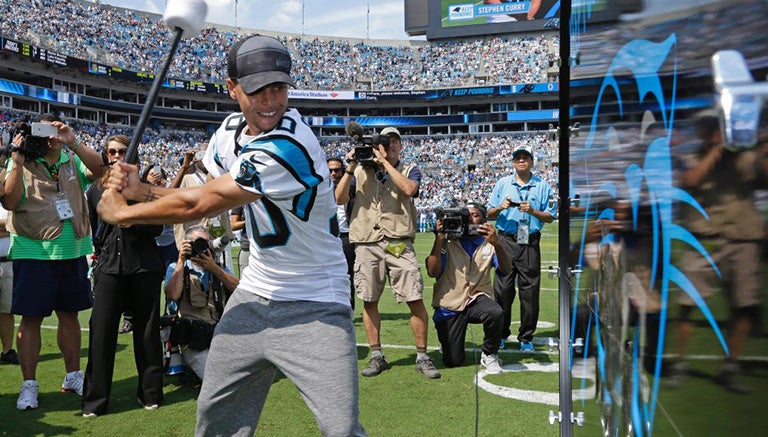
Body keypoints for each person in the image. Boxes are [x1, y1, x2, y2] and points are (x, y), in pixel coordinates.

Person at [97, 34, 366, 436]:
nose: (271, 100)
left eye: (279, 87)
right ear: (233, 88)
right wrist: (142, 191)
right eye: (258, 89)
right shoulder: (228, 132)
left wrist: (128, 211)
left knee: (341, 428)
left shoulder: (289, 144)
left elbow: (201, 203)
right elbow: (198, 192)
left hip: (314, 302)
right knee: (216, 414)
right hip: (254, 295)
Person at [2, 113, 106, 410]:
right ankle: (29, 385)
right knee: (31, 318)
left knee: (70, 315)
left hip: (72, 248)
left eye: (54, 129)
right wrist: (18, 161)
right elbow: (9, 201)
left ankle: (73, 375)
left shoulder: (71, 159)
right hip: (32, 249)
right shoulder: (21, 161)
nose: (50, 136)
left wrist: (72, 140)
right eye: (43, 130)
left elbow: (100, 171)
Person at [669, 111, 768, 393]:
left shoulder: (746, 157)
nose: (714, 131)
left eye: (718, 126)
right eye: (710, 127)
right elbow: (690, 181)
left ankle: (730, 365)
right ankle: (680, 363)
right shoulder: (692, 157)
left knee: (743, 305)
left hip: (742, 237)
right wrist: (715, 151)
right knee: (688, 304)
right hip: (704, 239)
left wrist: (762, 147)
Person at [336, 126, 441, 379]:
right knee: (369, 299)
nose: (389, 145)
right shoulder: (359, 170)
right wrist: (350, 165)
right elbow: (339, 199)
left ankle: (422, 355)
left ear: (400, 146)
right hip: (366, 241)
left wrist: (383, 162)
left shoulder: (408, 168)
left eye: (394, 142)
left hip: (398, 240)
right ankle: (376, 355)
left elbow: (409, 189)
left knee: (414, 297)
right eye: (384, 142)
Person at [81, 135, 165, 417]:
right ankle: (95, 401)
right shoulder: (94, 190)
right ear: (105, 156)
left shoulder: (148, 190)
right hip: (108, 269)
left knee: (147, 333)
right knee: (101, 332)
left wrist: (128, 212)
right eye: (111, 152)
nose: (116, 156)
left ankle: (150, 393)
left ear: (133, 156)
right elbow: (96, 231)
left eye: (121, 151)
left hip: (144, 267)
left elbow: (155, 229)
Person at [486, 144, 556, 352]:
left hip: (530, 242)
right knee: (502, 290)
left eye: (526, 157)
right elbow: (489, 214)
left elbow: (551, 217)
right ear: (513, 162)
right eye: (518, 157)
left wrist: (533, 211)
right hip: (505, 241)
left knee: (530, 292)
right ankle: (501, 334)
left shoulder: (543, 186)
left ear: (532, 161)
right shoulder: (502, 183)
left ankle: (526, 337)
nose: (521, 160)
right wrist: (501, 207)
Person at [426, 202, 510, 374]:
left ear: (484, 219)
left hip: (477, 297)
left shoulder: (489, 243)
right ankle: (447, 340)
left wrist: (498, 244)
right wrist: (439, 239)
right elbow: (432, 272)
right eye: (466, 215)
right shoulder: (449, 240)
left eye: (475, 215)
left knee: (495, 312)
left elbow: (506, 270)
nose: (470, 218)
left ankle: (489, 354)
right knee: (453, 360)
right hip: (450, 303)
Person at [164, 226, 238, 380]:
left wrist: (215, 269)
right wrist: (180, 260)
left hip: (218, 333)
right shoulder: (176, 268)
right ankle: (190, 367)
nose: (202, 246)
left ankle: (193, 371)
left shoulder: (218, 267)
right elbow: (173, 294)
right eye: (198, 242)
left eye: (206, 242)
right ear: (187, 244)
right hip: (193, 337)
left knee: (242, 371)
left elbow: (240, 290)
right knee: (217, 379)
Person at [328, 156, 356, 309]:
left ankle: (348, 308)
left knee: (347, 275)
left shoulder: (351, 185)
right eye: (330, 170)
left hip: (346, 235)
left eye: (336, 170)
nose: (333, 173)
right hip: (326, 236)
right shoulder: (320, 187)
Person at [0, 205, 19, 365]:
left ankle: (7, 351)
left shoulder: (10, 201)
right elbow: (12, 225)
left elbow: (19, 225)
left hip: (9, 262)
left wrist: (11, 226)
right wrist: (8, 226)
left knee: (7, 310)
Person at [229, 206, 249, 277]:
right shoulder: (243, 199)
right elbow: (233, 225)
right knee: (246, 282)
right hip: (248, 247)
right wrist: (249, 221)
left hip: (273, 248)